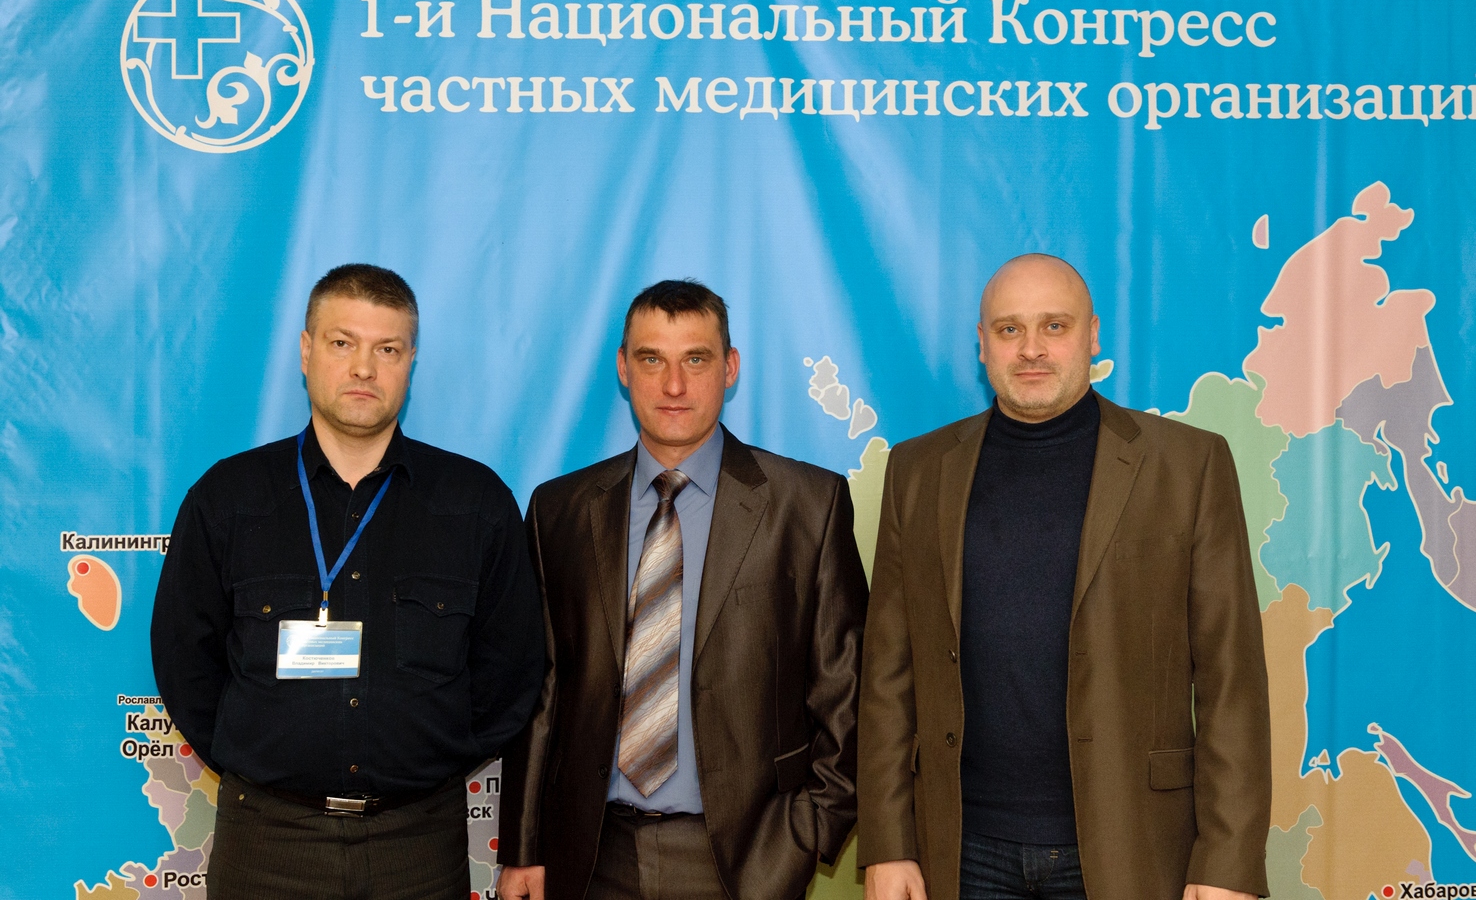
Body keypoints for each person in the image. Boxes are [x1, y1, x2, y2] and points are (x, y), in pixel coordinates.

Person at [857, 254, 1271, 900]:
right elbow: (887, 674)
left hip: (1132, 844)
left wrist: (1227, 862)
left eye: (1054, 325)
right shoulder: (918, 471)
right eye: (1009, 329)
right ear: (982, 344)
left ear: (1093, 334)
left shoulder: (1188, 466)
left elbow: (1231, 683)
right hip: (961, 850)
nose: (1031, 348)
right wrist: (888, 842)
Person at [151, 263, 544, 900]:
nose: (364, 368)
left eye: (387, 349)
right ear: (306, 352)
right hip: (267, 842)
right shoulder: (228, 499)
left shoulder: (476, 504)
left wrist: (435, 758)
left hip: (418, 847)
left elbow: (511, 669)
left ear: (410, 362)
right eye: (343, 343)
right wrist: (258, 756)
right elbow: (184, 659)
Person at [496, 279, 869, 900]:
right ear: (623, 368)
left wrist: (803, 839)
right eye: (652, 360)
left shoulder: (807, 504)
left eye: (696, 359)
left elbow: (845, 691)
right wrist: (524, 848)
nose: (674, 385)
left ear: (730, 367)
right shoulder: (559, 510)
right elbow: (542, 691)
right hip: (591, 859)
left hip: (747, 863)